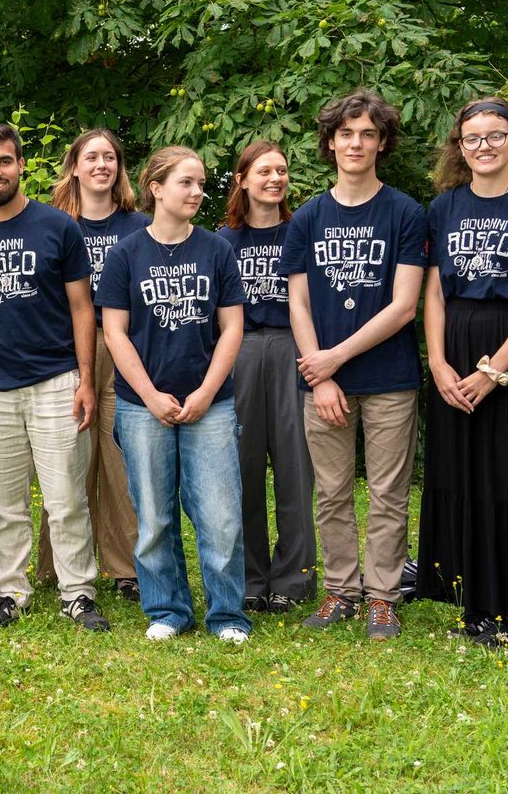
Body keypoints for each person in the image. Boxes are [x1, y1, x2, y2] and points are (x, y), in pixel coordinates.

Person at [0, 122, 109, 632]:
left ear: (19, 164)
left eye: (4, 161)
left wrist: (85, 378)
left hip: (55, 379)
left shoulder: (58, 228)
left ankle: (77, 593)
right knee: (2, 502)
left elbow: (82, 307)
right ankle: (11, 593)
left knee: (65, 499)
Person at [281, 89, 426, 641]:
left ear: (382, 142)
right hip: (324, 386)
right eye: (346, 133)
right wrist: (321, 378)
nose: (356, 143)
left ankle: (384, 597)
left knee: (389, 493)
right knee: (333, 492)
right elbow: (297, 301)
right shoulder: (309, 218)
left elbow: (404, 305)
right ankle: (341, 591)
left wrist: (333, 359)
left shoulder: (406, 213)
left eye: (368, 133)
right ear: (330, 142)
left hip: (389, 380)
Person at [99, 145, 250, 643]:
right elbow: (114, 332)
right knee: (154, 515)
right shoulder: (125, 254)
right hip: (143, 406)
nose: (197, 191)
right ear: (156, 188)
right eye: (186, 182)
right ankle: (168, 611)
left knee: (221, 514)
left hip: (211, 403)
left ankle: (228, 616)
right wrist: (149, 395)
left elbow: (231, 327)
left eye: (201, 182)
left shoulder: (215, 249)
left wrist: (207, 391)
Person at [39, 128, 148, 601]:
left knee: (121, 461)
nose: (101, 164)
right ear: (75, 167)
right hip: (69, 348)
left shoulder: (139, 225)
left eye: (110, 157)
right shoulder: (54, 224)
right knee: (67, 460)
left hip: (125, 346)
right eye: (91, 157)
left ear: (119, 169)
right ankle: (55, 566)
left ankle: (125, 569)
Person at [417, 97, 508, 645]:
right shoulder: (444, 207)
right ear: (459, 147)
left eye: (495, 135)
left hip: (502, 344)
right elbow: (433, 290)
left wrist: (493, 371)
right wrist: (438, 362)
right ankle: (474, 604)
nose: (484, 147)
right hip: (453, 341)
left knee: (502, 478)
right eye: (472, 138)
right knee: (462, 476)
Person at [217, 141, 317, 613]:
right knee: (244, 468)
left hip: (292, 350)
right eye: (263, 171)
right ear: (242, 179)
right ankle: (252, 577)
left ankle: (293, 579)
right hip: (238, 352)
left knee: (296, 469)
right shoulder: (221, 241)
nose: (274, 178)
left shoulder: (302, 232)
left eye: (281, 170)